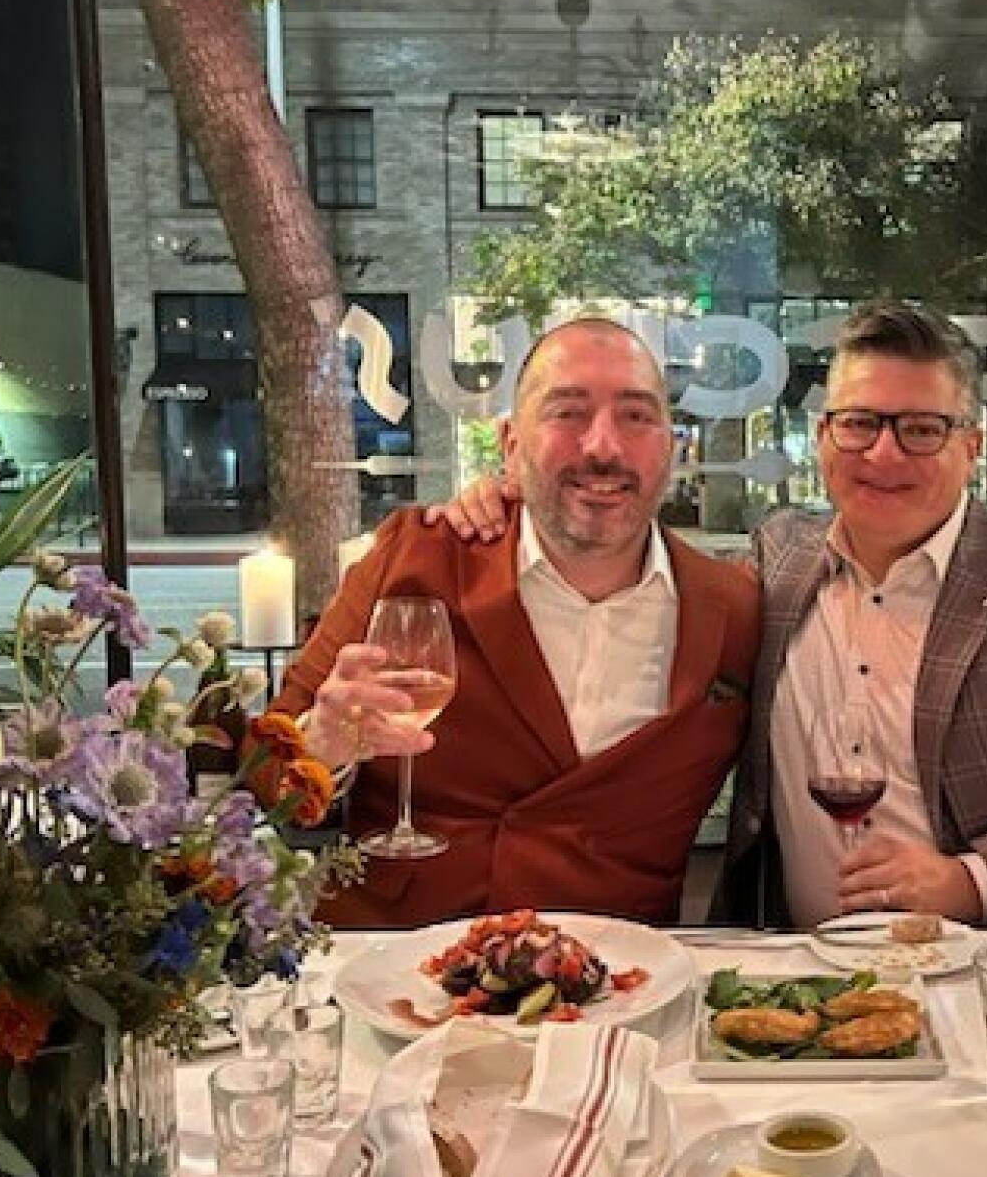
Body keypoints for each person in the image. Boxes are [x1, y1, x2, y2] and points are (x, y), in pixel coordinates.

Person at [441, 302, 987, 930]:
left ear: (970, 447)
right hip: (800, 974)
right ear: (824, 436)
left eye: (922, 428)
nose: (884, 453)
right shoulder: (777, 565)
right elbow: (618, 547)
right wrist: (520, 499)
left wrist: (975, 881)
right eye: (859, 423)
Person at [276, 317, 760, 928]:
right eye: (568, 413)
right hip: (402, 967)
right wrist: (322, 745)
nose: (603, 447)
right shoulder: (414, 558)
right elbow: (266, 774)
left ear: (670, 445)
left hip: (621, 983)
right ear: (510, 444)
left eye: (636, 416)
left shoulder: (733, 609)